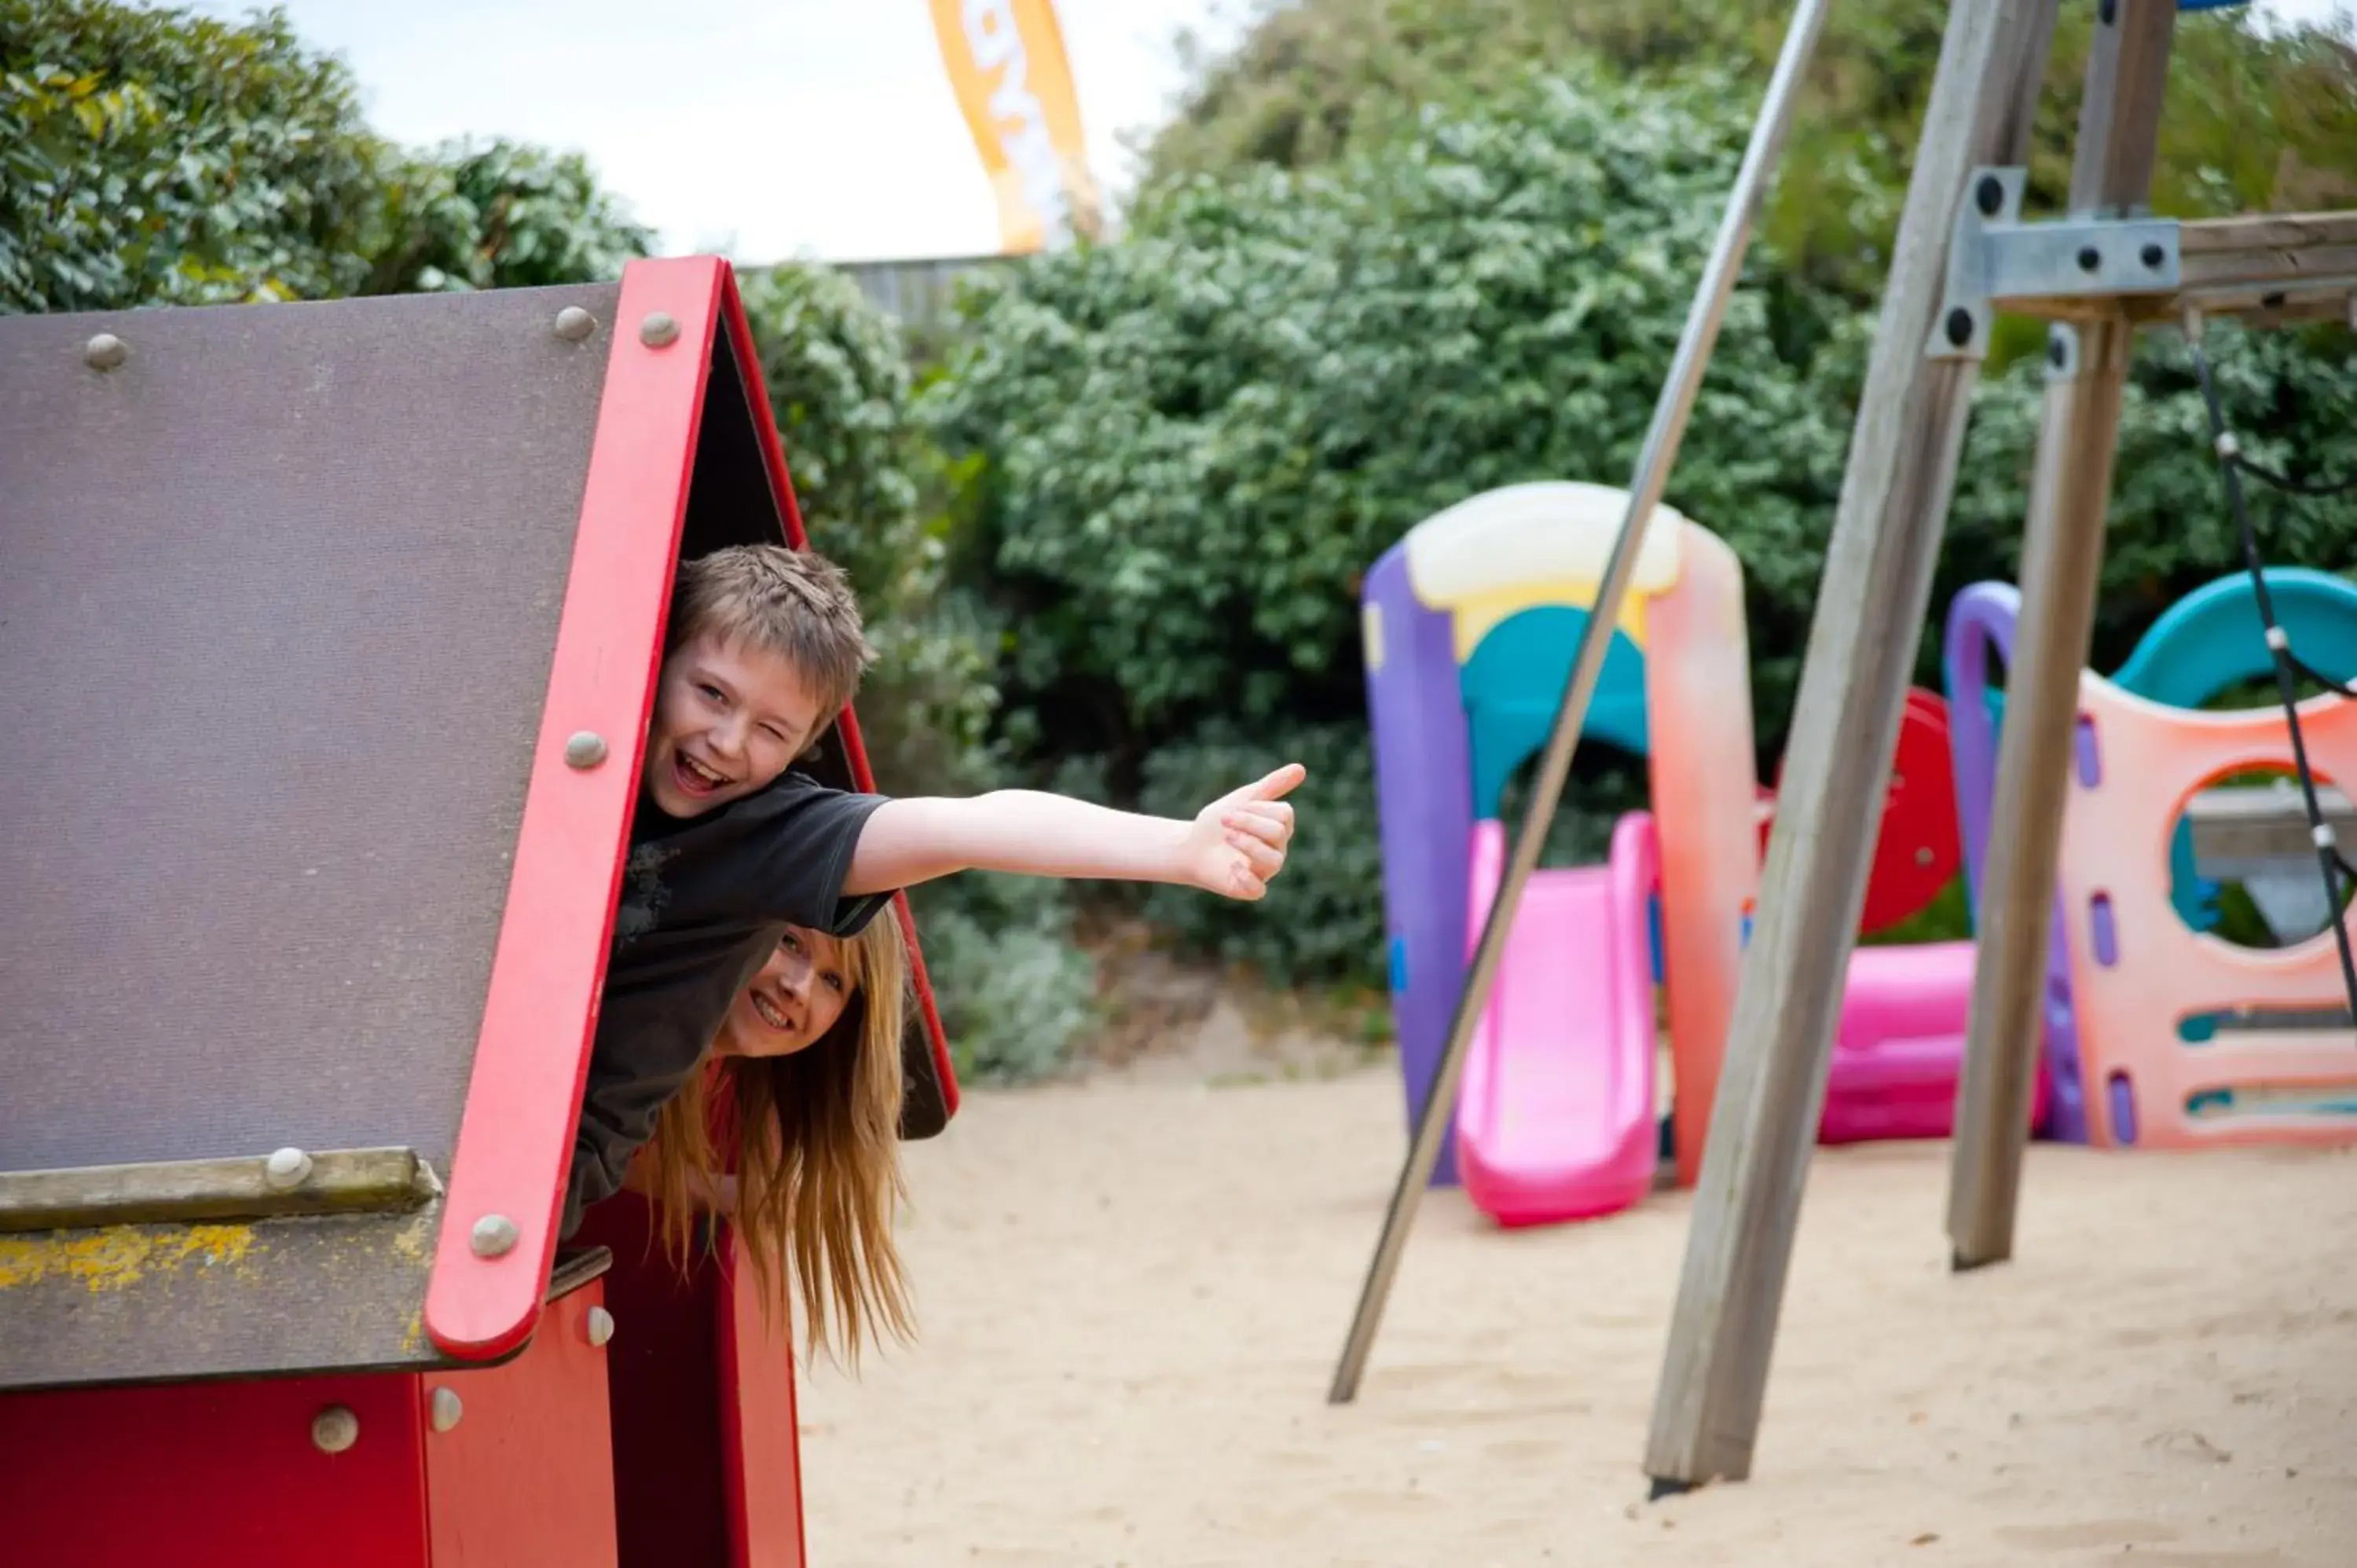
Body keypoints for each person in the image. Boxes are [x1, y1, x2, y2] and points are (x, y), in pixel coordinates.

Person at [563, 543, 1302, 1240]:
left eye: (770, 729)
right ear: (660, 660)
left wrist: (1177, 848)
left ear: (803, 747)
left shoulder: (772, 832)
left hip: (559, 1165)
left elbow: (970, 827)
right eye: (711, 694)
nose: (727, 740)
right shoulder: (574, 751)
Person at [628, 916, 914, 1364]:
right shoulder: (630, 1027)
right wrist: (715, 1191)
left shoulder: (755, 1084)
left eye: (832, 980)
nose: (798, 987)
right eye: (790, 942)